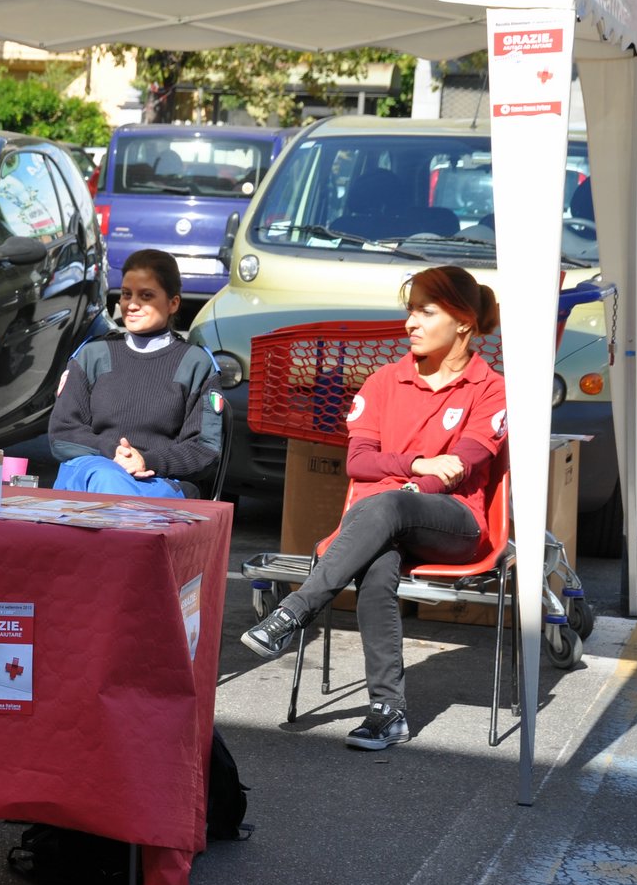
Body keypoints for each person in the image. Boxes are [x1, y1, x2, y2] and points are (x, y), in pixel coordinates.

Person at [241, 265, 507, 751]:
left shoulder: (489, 387)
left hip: (456, 524)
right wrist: (420, 463)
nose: (410, 323)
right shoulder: (384, 381)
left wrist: (406, 488)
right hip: (383, 521)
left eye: (426, 312)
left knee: (387, 504)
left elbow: (465, 466)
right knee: (378, 566)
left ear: (464, 322)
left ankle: (295, 610)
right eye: (410, 311)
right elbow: (358, 463)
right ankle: (389, 711)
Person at [48, 248, 222, 498]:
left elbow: (205, 450)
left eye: (146, 296)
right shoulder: (93, 355)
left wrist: (147, 460)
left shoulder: (195, 363)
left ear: (173, 303)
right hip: (93, 472)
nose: (132, 305)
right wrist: (114, 454)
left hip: (158, 482)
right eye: (127, 294)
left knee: (112, 491)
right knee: (105, 478)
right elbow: (62, 434)